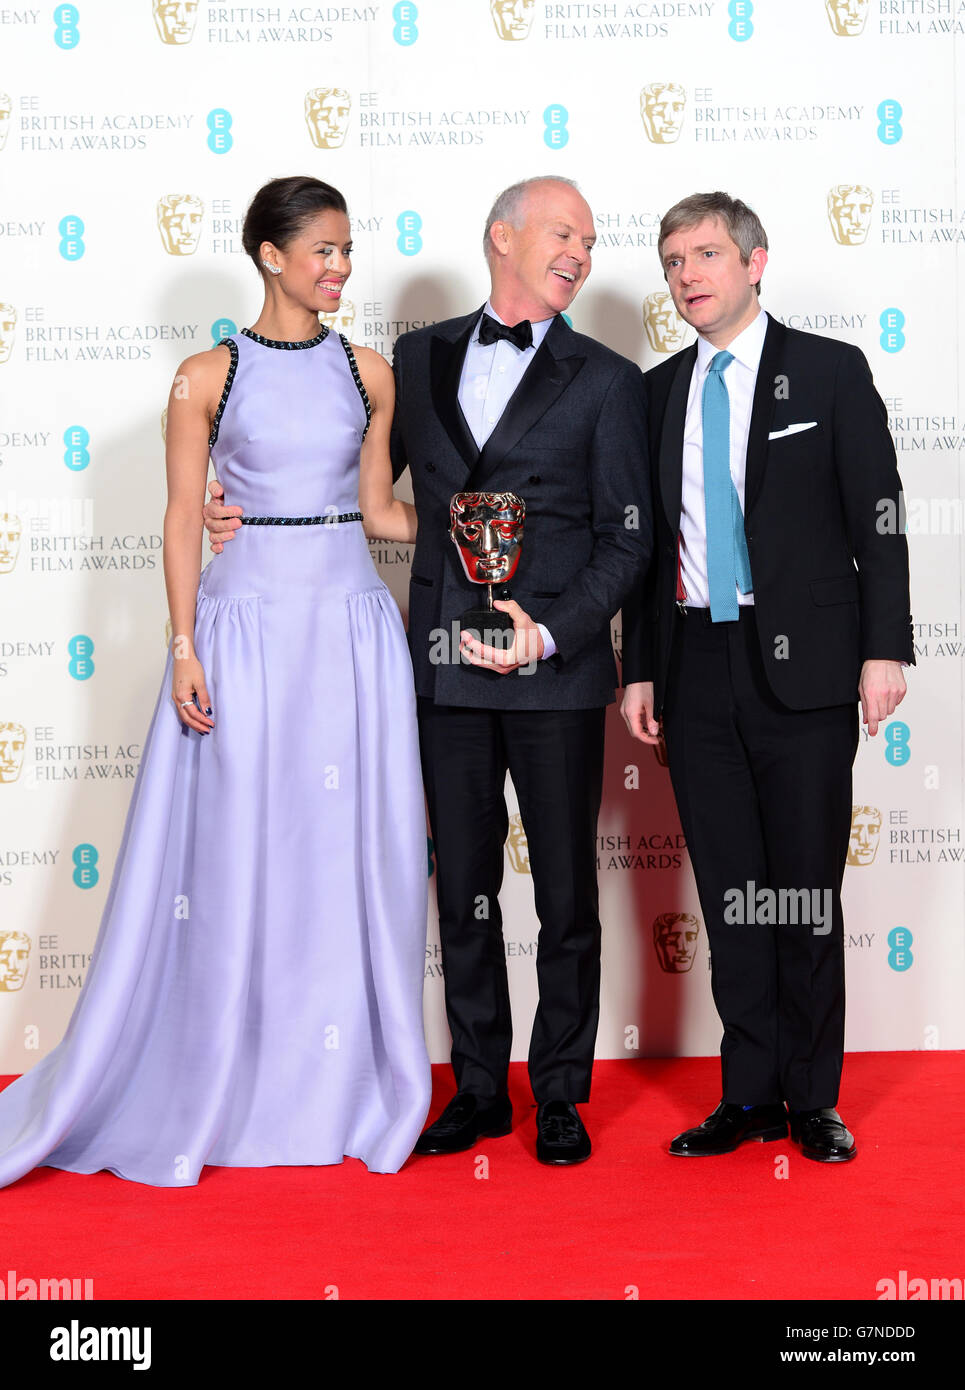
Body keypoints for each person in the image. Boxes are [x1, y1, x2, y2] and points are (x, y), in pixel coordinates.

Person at [205, 175, 651, 1164]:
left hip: (554, 672)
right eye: (562, 233)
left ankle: (562, 1092)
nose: (581, 251)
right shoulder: (417, 354)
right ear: (502, 237)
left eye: (589, 239)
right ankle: (481, 1088)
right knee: (463, 890)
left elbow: (629, 541)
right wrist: (233, 500)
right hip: (443, 665)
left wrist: (551, 631)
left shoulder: (610, 379)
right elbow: (362, 484)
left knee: (567, 892)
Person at [0, 175, 431, 1187]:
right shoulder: (207, 377)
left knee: (340, 855)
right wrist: (184, 642)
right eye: (322, 249)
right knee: (239, 854)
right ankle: (216, 1080)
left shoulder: (369, 372)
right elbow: (182, 515)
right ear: (270, 255)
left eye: (347, 248)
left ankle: (336, 1086)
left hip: (348, 630)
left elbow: (378, 511)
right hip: (242, 632)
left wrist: (494, 532)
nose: (340, 266)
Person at [621, 191, 912, 1162]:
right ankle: (745, 1095)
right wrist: (640, 672)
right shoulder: (658, 389)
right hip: (696, 666)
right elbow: (648, 547)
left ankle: (809, 1097)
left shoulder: (825, 373)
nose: (686, 275)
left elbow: (877, 517)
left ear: (754, 262)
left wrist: (884, 648)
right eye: (671, 261)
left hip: (809, 672)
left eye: (704, 254)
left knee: (800, 893)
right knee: (731, 893)